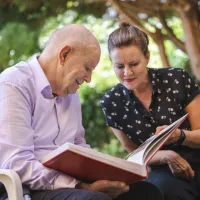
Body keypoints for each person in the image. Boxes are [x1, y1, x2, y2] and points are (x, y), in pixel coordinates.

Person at [0, 24, 163, 200]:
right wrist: (80, 185)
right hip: (29, 187)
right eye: (87, 67)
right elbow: (17, 164)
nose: (89, 78)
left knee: (146, 193)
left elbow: (78, 144)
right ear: (64, 55)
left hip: (70, 185)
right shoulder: (14, 85)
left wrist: (106, 172)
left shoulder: (70, 92)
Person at [101, 23, 200, 200]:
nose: (127, 72)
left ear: (147, 57)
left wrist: (180, 135)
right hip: (164, 171)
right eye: (119, 66)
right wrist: (166, 156)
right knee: (162, 191)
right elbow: (133, 154)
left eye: (134, 64)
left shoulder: (177, 79)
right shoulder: (111, 102)